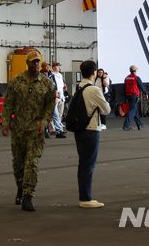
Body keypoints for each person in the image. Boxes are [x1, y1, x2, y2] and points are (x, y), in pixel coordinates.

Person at [1, 48, 56, 211]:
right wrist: (5, 123)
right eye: (34, 62)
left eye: (38, 61)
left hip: (36, 130)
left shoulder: (47, 83)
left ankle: (28, 195)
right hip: (18, 129)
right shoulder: (17, 81)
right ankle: (21, 187)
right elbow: (8, 103)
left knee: (32, 162)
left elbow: (50, 106)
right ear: (27, 63)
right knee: (18, 164)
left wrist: (45, 121)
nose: (37, 64)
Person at [73, 60, 112, 209]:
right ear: (94, 73)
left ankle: (84, 195)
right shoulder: (94, 90)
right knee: (88, 165)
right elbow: (106, 110)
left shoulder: (80, 86)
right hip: (91, 129)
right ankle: (85, 198)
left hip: (80, 129)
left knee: (83, 163)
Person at [123, 65, 147, 131]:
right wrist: (145, 93)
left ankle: (140, 125)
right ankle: (126, 125)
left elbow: (124, 87)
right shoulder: (136, 78)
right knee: (132, 111)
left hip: (128, 96)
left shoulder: (126, 78)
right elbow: (141, 86)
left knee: (135, 111)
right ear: (135, 70)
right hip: (134, 96)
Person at [51, 62, 68, 138]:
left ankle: (59, 129)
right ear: (54, 67)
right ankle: (55, 129)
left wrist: (64, 87)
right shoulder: (51, 75)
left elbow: (61, 84)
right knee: (55, 114)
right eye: (58, 66)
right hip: (55, 97)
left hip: (61, 96)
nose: (59, 68)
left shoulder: (60, 75)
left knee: (60, 114)